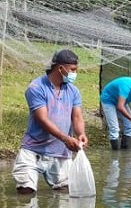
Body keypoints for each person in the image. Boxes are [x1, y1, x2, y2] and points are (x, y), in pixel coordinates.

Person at [12, 49, 88, 195]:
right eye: (72, 70)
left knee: (64, 193)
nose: (75, 74)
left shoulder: (73, 91)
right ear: (60, 68)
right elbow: (42, 119)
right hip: (33, 150)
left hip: (60, 152)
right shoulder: (36, 87)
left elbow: (77, 117)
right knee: (25, 192)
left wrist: (81, 134)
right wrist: (65, 138)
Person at [100, 76, 131, 150]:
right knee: (114, 129)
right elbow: (120, 107)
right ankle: (115, 154)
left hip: (121, 101)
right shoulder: (125, 86)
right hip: (109, 100)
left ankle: (125, 152)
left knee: (130, 125)